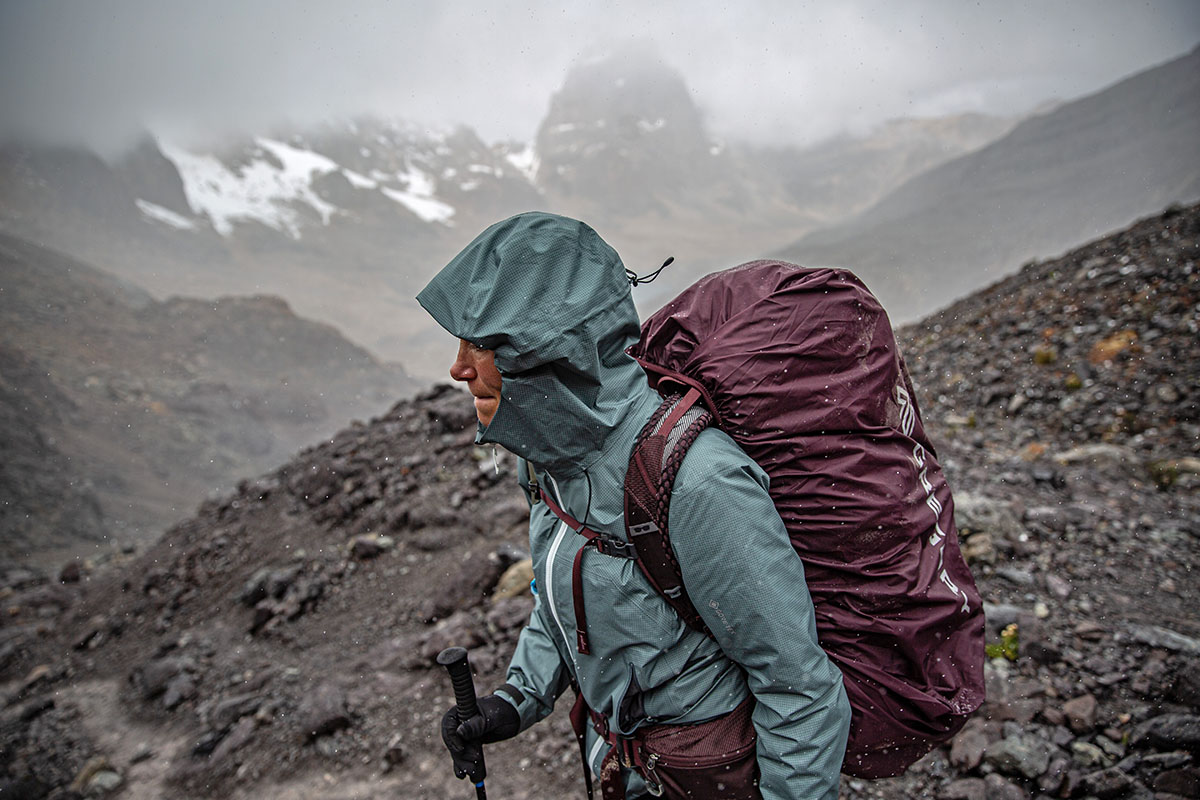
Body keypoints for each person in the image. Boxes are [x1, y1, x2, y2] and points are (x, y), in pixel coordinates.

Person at [419, 212, 850, 800]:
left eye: (482, 345)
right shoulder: (548, 459)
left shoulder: (699, 481)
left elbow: (798, 687)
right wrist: (514, 700)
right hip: (620, 770)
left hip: (707, 779)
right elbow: (563, 600)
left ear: (553, 351)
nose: (459, 368)